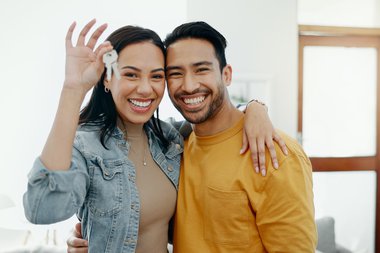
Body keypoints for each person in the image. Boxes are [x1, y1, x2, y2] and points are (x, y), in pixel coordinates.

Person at [23, 20, 285, 253]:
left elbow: (214, 119)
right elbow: (42, 209)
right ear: (107, 78)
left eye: (157, 76)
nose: (145, 89)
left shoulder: (169, 138)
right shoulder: (86, 146)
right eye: (130, 74)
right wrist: (73, 89)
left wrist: (254, 108)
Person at [165, 21, 317, 252]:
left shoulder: (275, 151)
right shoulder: (174, 145)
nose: (188, 85)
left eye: (201, 70)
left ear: (226, 75)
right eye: (175, 74)